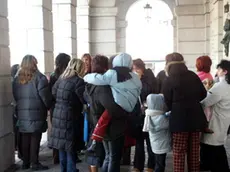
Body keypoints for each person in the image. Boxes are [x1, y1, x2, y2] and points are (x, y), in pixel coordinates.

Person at [84, 53, 142, 149]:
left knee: (111, 155)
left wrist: (86, 77)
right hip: (130, 107)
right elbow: (139, 89)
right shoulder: (135, 77)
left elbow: (98, 79)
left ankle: (95, 140)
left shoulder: (113, 74)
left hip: (118, 106)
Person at [162, 52, 207, 172]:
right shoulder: (192, 75)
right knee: (194, 152)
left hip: (179, 119)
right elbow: (204, 94)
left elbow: (167, 101)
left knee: (179, 152)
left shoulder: (169, 79)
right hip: (196, 117)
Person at [85, 55, 130, 172]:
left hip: (101, 125)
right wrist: (125, 111)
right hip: (111, 127)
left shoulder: (90, 82)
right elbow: (112, 107)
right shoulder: (102, 86)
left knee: (109, 156)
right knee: (113, 158)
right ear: (106, 67)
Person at [13, 55, 52, 170]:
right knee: (35, 137)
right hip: (37, 112)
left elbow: (15, 95)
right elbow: (45, 96)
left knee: (25, 136)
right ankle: (34, 163)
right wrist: (49, 105)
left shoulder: (17, 78)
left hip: (22, 112)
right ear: (33, 63)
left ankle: (25, 163)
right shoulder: (40, 78)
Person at [48, 58, 86, 172]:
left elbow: (53, 92)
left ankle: (64, 169)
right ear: (79, 68)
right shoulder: (78, 81)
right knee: (70, 147)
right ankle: (71, 169)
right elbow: (83, 99)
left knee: (62, 146)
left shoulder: (61, 78)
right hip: (70, 115)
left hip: (58, 114)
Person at [200, 60, 230, 172]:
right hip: (224, 121)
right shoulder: (227, 86)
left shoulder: (220, 87)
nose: (217, 71)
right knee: (218, 148)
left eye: (219, 69)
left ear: (225, 71)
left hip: (214, 123)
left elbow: (204, 102)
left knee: (213, 151)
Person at [132, 58, 157, 172]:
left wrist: (139, 80)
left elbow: (148, 92)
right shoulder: (135, 78)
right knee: (139, 142)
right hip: (138, 114)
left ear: (139, 68)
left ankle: (151, 166)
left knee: (150, 141)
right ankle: (138, 166)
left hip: (148, 114)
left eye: (135, 69)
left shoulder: (150, 77)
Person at [49, 53, 71, 164]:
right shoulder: (65, 75)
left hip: (54, 108)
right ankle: (68, 157)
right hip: (64, 107)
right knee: (66, 133)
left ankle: (56, 156)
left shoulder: (53, 75)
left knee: (56, 132)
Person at [143, 94, 171, 172]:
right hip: (161, 145)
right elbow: (166, 124)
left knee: (158, 162)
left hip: (156, 144)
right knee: (160, 164)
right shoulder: (159, 116)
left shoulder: (150, 114)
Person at [11, 64, 23, 159]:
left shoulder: (14, 80)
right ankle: (20, 152)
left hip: (17, 110)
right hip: (18, 110)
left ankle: (19, 151)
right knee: (20, 132)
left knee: (18, 131)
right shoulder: (16, 80)